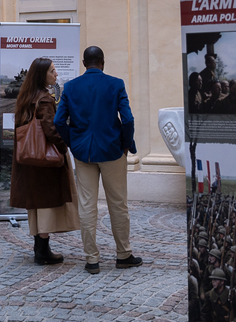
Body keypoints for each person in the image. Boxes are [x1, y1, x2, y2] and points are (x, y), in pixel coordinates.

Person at [54, 46, 141, 274]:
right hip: (112, 150)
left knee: (86, 206)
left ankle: (92, 259)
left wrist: (73, 142)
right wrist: (126, 144)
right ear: (103, 62)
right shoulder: (116, 84)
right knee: (118, 205)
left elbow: (59, 121)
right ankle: (123, 254)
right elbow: (128, 119)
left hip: (84, 153)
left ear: (84, 63)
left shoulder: (71, 87)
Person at [9, 57, 78, 265]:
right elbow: (50, 130)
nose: (56, 74)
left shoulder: (25, 98)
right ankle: (43, 251)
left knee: (36, 206)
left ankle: (39, 248)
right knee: (47, 204)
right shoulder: (45, 100)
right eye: (52, 71)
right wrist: (64, 146)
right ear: (42, 75)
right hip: (46, 162)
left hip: (29, 161)